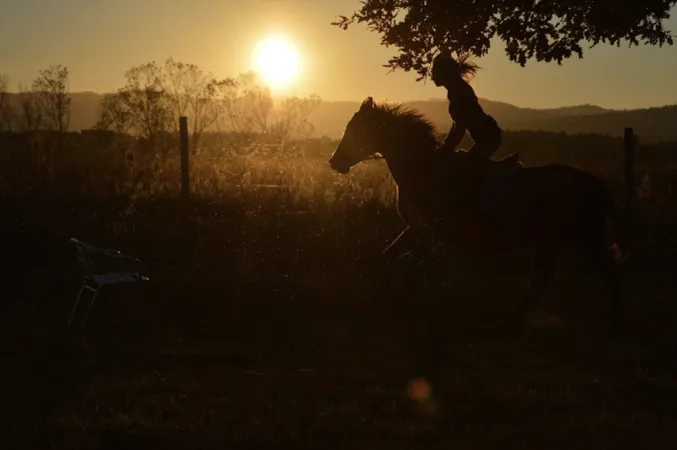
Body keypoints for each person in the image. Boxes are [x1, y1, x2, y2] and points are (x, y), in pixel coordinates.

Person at [430, 52, 503, 207]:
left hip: (488, 137)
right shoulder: (455, 90)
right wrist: (447, 145)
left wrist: (447, 147)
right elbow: (458, 124)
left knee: (467, 171)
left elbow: (461, 126)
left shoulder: (458, 90)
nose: (433, 75)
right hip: (488, 135)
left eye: (436, 72)